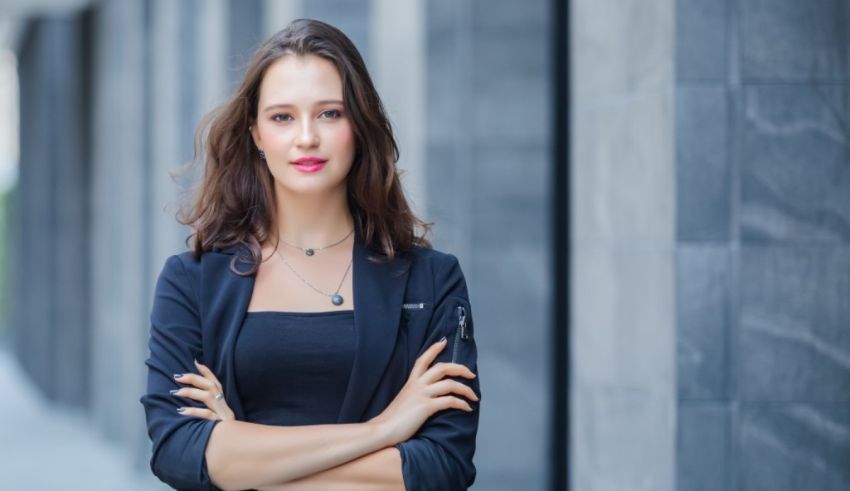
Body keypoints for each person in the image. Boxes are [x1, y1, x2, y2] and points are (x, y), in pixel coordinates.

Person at [139, 18, 481, 491]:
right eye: (282, 117)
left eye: (329, 113)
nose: (306, 138)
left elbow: (442, 468)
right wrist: (383, 432)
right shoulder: (191, 281)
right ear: (256, 133)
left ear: (359, 127)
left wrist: (242, 452)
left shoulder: (431, 281)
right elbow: (178, 453)